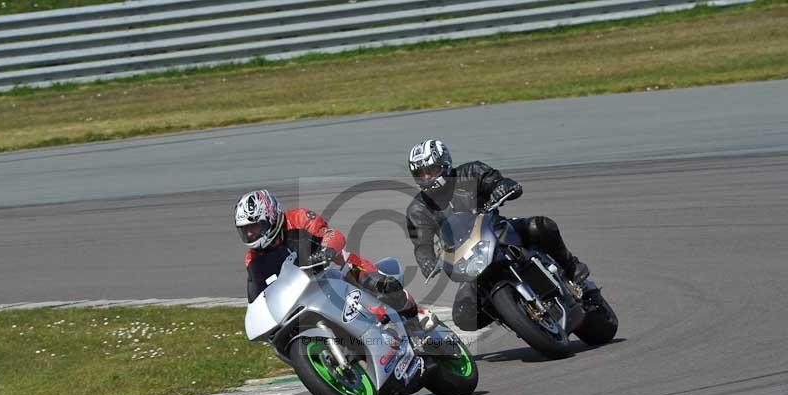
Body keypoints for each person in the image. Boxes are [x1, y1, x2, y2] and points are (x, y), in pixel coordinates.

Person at [405, 139, 590, 331]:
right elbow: (422, 243)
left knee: (540, 226)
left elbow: (497, 181)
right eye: (420, 173)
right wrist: (426, 260)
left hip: (497, 232)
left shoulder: (471, 172)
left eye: (431, 170)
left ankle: (571, 267)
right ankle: (512, 313)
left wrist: (502, 186)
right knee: (464, 316)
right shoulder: (418, 209)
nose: (426, 177)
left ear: (445, 164)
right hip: (466, 258)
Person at [234, 189, 418, 320]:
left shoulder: (299, 218)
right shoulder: (252, 259)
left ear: (271, 218)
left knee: (377, 284)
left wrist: (325, 253)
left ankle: (417, 319)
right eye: (245, 230)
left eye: (254, 226)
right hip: (302, 295)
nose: (250, 234)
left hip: (335, 270)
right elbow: (256, 295)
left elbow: (333, 235)